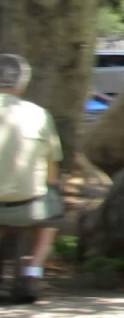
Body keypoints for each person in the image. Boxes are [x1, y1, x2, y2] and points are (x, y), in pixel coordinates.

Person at [0, 54, 65, 304]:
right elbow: (51, 172)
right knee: (51, 215)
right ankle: (33, 273)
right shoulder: (39, 114)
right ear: (22, 84)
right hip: (29, 207)